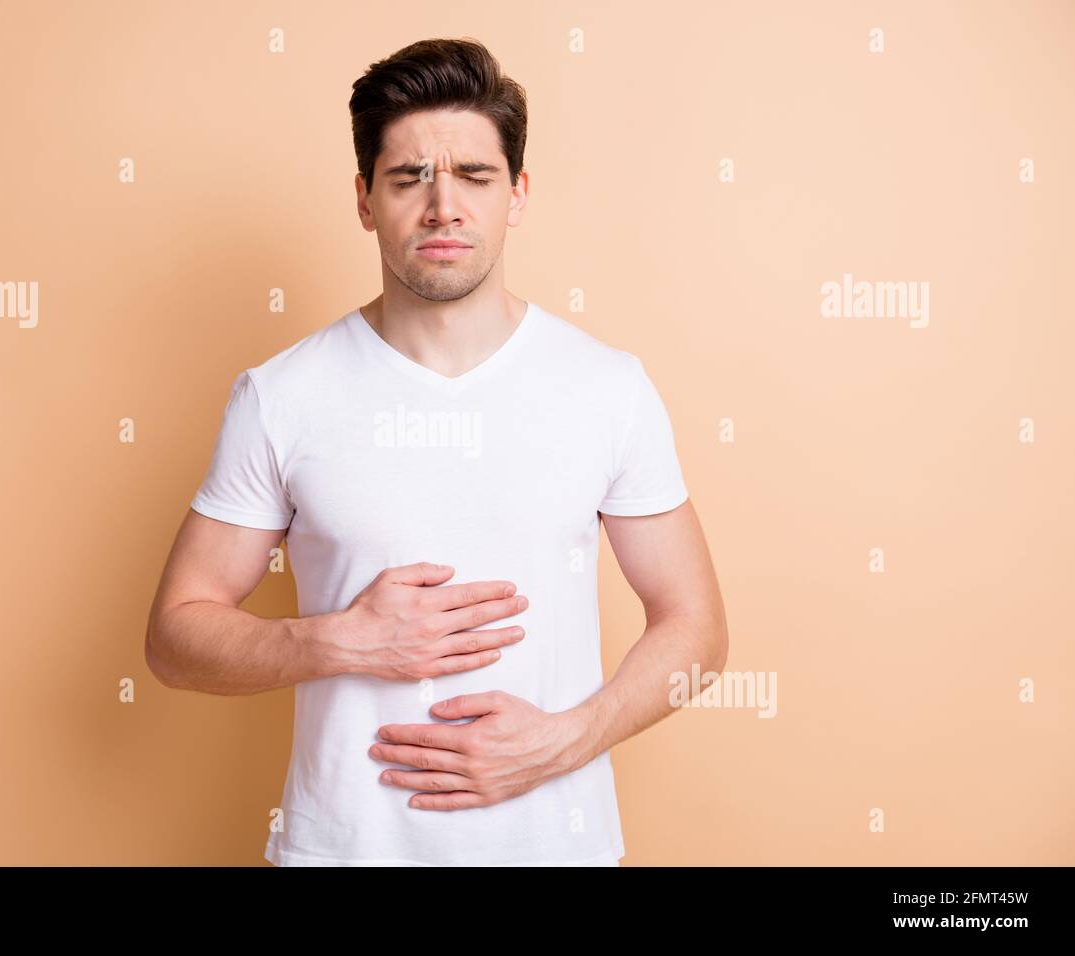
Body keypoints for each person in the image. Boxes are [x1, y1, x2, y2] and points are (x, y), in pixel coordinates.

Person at [146, 37, 727, 866]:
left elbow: (696, 626)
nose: (442, 206)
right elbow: (172, 640)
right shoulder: (281, 396)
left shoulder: (607, 386)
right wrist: (340, 641)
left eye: (475, 177)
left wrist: (565, 741)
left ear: (517, 194)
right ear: (363, 198)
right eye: (409, 177)